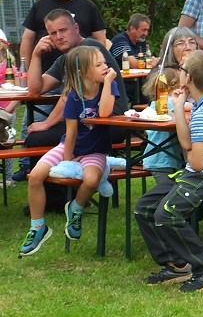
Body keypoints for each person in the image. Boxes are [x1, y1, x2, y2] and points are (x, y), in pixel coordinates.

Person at [134, 51, 203, 291]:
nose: (178, 73)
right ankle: (178, 265)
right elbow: (187, 144)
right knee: (145, 208)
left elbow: (198, 162)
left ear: (188, 77)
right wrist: (179, 108)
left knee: (167, 213)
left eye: (181, 70)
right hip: (196, 170)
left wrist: (189, 153)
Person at [19, 46, 118, 257]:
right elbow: (71, 133)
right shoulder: (74, 97)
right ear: (82, 71)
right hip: (69, 147)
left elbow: (104, 112)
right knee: (35, 175)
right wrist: (67, 163)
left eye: (105, 63)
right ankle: (38, 227)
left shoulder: (109, 87)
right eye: (98, 64)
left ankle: (76, 208)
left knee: (91, 180)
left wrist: (108, 82)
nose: (105, 67)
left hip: (95, 150)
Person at [10, 11, 125, 189]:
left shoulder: (88, 49)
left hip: (109, 122)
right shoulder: (65, 59)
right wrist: (36, 55)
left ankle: (60, 196)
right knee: (43, 136)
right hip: (87, 121)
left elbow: (69, 94)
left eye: (62, 30)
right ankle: (63, 186)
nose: (58, 36)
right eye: (52, 33)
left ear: (76, 28)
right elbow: (35, 88)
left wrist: (47, 123)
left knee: (37, 139)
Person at [19, 0, 107, 74]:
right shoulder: (40, 5)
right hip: (46, 76)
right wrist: (25, 70)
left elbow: (100, 39)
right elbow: (27, 39)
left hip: (81, 75)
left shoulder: (87, 6)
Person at [141, 28, 198, 181]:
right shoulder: (165, 75)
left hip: (191, 146)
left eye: (192, 42)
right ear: (170, 49)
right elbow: (168, 107)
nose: (188, 47)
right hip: (166, 154)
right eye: (181, 43)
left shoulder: (201, 73)